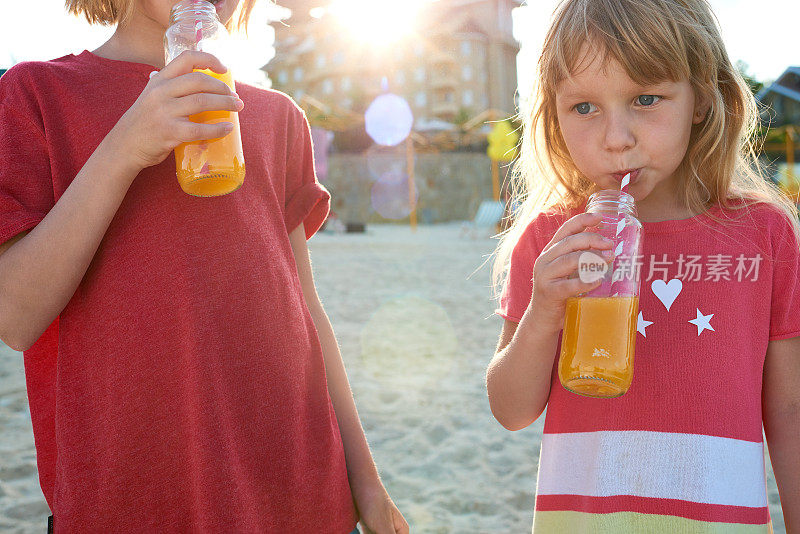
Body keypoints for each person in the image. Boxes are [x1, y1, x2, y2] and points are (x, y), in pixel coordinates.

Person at [0, 1, 408, 532]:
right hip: (131, 502)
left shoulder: (277, 117)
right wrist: (125, 145)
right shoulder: (36, 97)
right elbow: (15, 316)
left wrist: (367, 483)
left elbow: (305, 313)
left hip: (301, 496)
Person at [486, 0, 800, 532]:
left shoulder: (763, 234)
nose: (616, 139)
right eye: (584, 108)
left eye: (646, 99)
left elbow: (790, 412)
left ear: (701, 99)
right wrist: (543, 312)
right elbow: (510, 410)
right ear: (553, 115)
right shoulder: (551, 240)